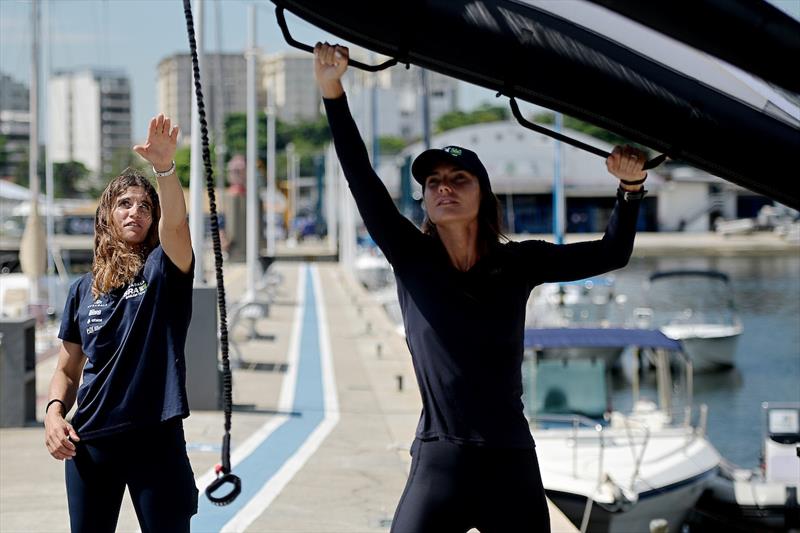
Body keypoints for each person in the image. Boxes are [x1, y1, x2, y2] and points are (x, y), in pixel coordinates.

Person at [314, 43, 649, 532]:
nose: (443, 186)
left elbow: (611, 252)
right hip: (440, 459)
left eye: (458, 178)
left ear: (482, 194)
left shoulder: (517, 262)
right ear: (424, 199)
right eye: (432, 182)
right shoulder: (410, 256)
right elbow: (361, 176)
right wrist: (332, 92)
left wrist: (631, 189)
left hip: (509, 460)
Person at [44, 114, 198, 533]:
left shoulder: (163, 270)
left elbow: (178, 224)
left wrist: (164, 169)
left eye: (145, 206)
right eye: (125, 203)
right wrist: (54, 412)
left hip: (156, 438)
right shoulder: (81, 289)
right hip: (90, 442)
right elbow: (67, 368)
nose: (136, 212)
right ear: (107, 215)